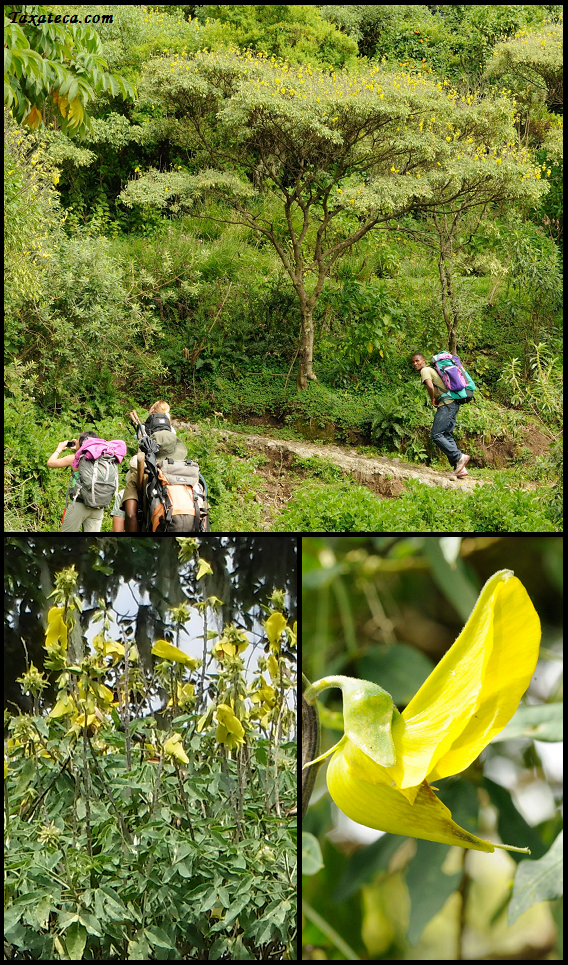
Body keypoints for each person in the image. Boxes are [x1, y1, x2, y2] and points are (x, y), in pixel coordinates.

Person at [122, 401, 188, 532]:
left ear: (153, 411)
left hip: (154, 464)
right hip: (174, 465)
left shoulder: (148, 426)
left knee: (133, 475)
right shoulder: (170, 429)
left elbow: (130, 515)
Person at [411, 353, 470, 477]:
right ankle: (459, 468)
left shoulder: (425, 370)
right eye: (413, 362)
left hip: (446, 405)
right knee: (446, 434)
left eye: (417, 361)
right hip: (453, 403)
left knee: (436, 435)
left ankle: (459, 457)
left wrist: (432, 399)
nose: (415, 364)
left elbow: (430, 386)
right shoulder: (433, 370)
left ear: (423, 361)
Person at [47, 431, 103, 531]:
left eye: (78, 440)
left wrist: (59, 449)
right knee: (92, 544)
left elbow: (51, 463)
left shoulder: (74, 459)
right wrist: (78, 447)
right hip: (98, 507)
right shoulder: (102, 460)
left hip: (79, 504)